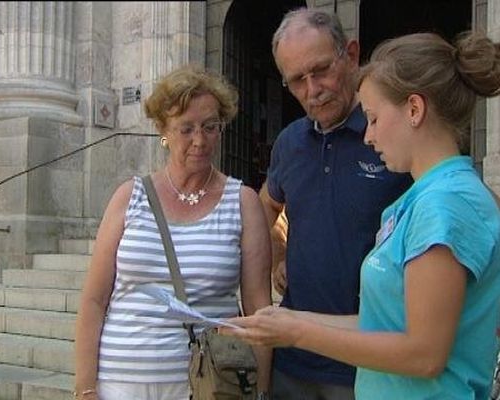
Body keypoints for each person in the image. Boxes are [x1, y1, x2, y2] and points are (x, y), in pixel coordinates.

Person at [222, 30, 500, 400]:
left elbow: (423, 354)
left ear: (414, 110)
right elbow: (385, 324)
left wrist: (297, 333)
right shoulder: (424, 198)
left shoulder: (445, 205)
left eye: (372, 118)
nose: (367, 137)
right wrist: (289, 319)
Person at [73, 64, 272, 400]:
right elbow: (93, 301)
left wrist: (259, 391)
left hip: (207, 384)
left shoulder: (243, 202)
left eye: (211, 127)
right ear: (163, 131)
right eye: (186, 128)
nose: (200, 140)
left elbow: (257, 309)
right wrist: (84, 388)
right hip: (119, 383)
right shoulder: (129, 196)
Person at [258, 7, 412, 399]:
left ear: (353, 54)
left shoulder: (392, 134)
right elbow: (266, 207)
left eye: (321, 69)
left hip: (369, 362)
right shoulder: (289, 144)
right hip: (293, 361)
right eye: (297, 80)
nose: (313, 90)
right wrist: (277, 253)